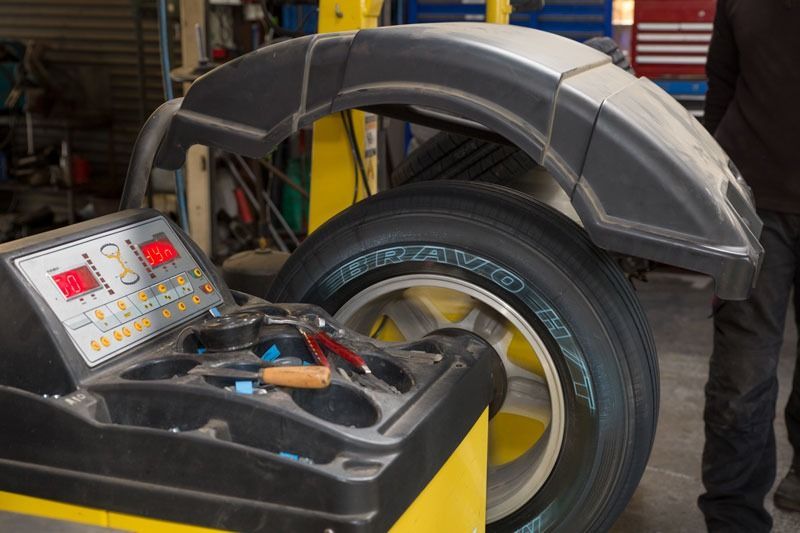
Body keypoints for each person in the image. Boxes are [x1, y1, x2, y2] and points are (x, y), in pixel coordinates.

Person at [698, 1, 800, 531]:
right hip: (755, 208)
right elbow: (722, 84)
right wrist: (714, 191)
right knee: (742, 375)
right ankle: (734, 516)